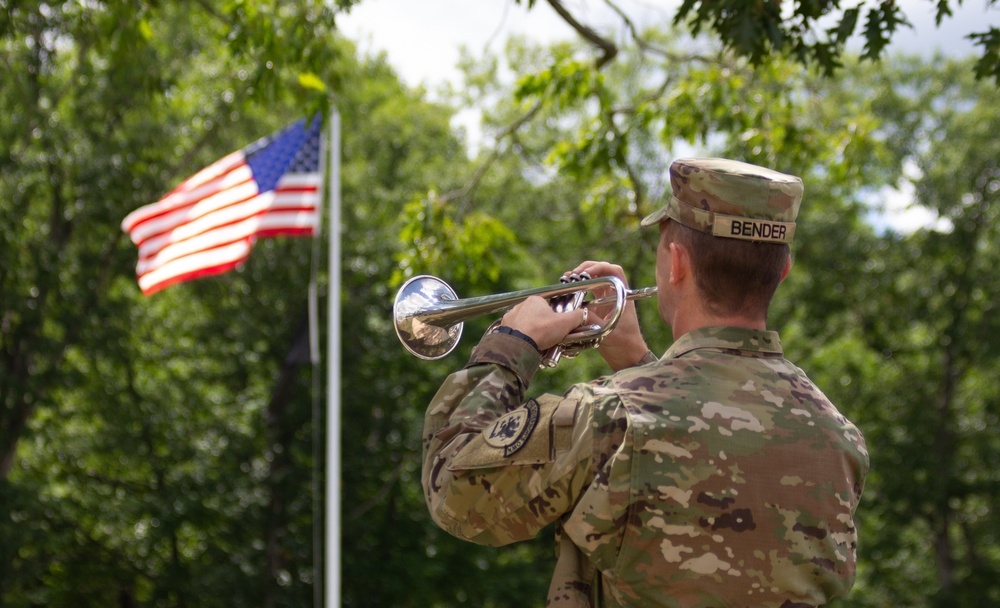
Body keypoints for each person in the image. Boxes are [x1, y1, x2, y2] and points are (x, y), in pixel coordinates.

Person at [420, 158, 869, 607]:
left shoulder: (608, 416)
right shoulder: (840, 440)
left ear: (676, 263)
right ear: (783, 270)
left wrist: (509, 346)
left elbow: (453, 491)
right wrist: (638, 361)